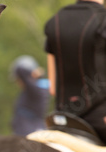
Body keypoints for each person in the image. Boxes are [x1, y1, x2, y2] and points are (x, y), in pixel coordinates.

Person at [44, 0, 106, 144]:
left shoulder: (54, 21)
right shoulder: (103, 20)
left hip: (60, 120)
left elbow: (53, 87)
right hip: (100, 121)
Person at [10, 55, 50, 136]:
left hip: (29, 131)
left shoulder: (37, 90)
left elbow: (21, 70)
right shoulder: (34, 90)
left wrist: (32, 72)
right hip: (25, 129)